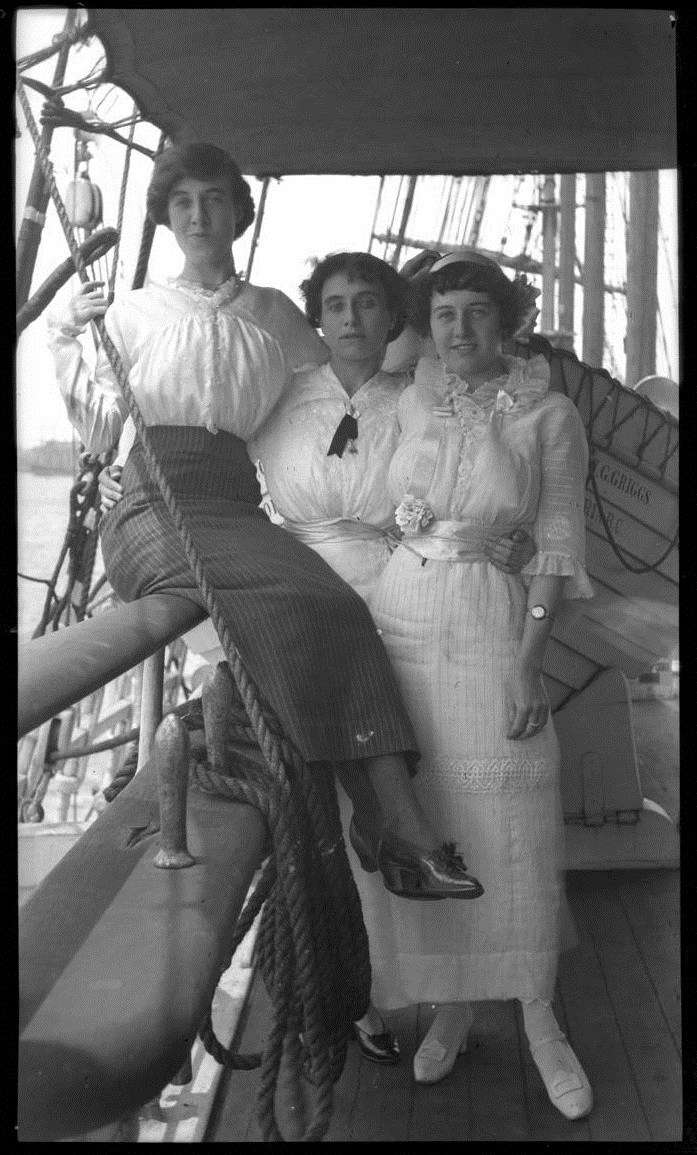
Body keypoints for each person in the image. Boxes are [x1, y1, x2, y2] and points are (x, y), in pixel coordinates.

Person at [99, 247, 536, 1065]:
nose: (351, 318)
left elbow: (476, 483)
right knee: (311, 812)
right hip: (292, 595)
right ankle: (346, 992)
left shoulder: (420, 397)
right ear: (316, 319)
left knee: (427, 776)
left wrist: (506, 538)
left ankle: (433, 985)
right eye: (335, 304)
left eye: (368, 303)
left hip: (399, 597)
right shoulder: (282, 393)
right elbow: (205, 439)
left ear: (393, 317)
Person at [47, 142, 482, 903]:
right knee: (299, 611)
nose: (198, 216)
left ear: (238, 213)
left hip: (233, 507)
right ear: (166, 215)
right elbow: (101, 425)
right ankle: (398, 830)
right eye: (182, 202)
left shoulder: (275, 315)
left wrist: (452, 352)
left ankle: (392, 824)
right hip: (153, 503)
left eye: (214, 199)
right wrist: (64, 333)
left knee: (337, 608)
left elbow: (348, 373)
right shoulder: (135, 311)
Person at [359, 250, 595, 1117]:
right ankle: (452, 1002)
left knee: (514, 818)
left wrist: (527, 661)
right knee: (430, 815)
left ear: (506, 321)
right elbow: (374, 507)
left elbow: (557, 543)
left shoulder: (548, 413)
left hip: (494, 622)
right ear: (428, 325)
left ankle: (538, 1012)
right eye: (444, 313)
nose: (459, 329)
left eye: (476, 312)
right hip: (401, 616)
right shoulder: (409, 399)